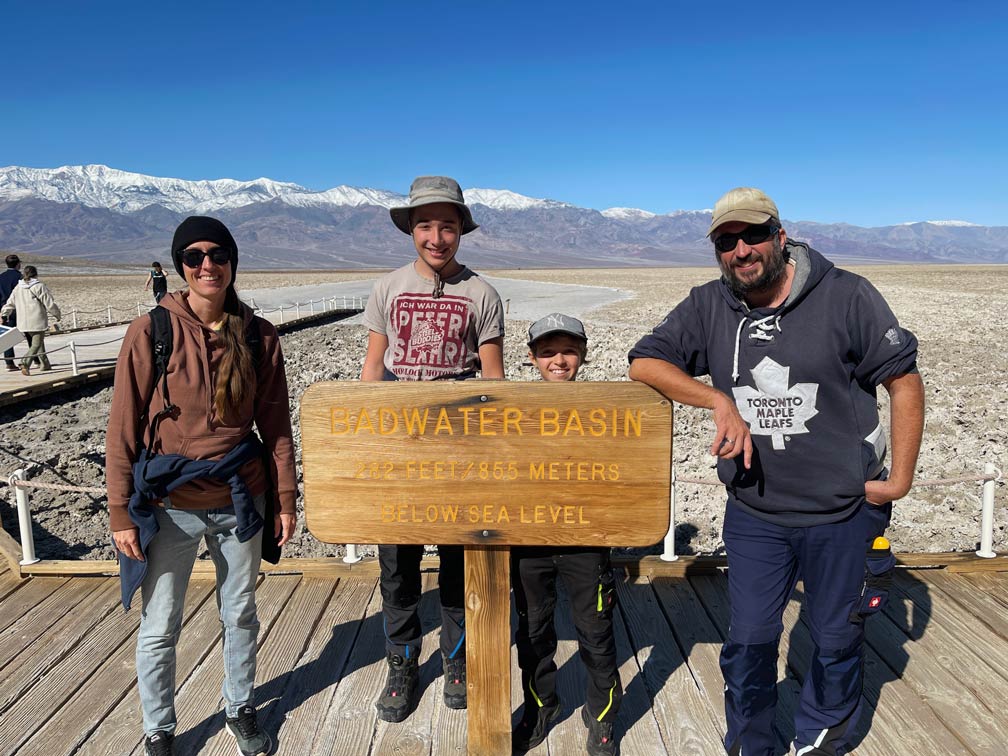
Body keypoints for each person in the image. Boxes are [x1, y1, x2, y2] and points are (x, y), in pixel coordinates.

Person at [628, 187, 925, 756]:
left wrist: (902, 478)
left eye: (753, 235)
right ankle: (751, 742)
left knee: (838, 638)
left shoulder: (847, 296)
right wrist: (718, 399)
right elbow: (645, 360)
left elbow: (903, 381)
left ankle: (823, 737)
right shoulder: (709, 305)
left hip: (842, 514)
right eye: (725, 241)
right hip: (755, 514)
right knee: (750, 641)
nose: (741, 250)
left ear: (780, 236)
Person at [106, 216, 297, 756]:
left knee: (240, 611)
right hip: (171, 506)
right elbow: (122, 425)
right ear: (180, 267)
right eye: (194, 257)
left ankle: (239, 706)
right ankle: (159, 727)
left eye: (218, 254)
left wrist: (285, 500)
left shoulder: (260, 336)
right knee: (160, 620)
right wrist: (120, 511)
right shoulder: (151, 333)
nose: (207, 265)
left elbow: (276, 426)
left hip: (242, 499)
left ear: (233, 262)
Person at [360, 175, 505, 722]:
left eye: (447, 226)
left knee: (455, 561)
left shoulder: (482, 295)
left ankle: (458, 660)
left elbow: (493, 380)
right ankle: (401, 663)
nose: (436, 237)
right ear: (411, 231)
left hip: (461, 453)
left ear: (461, 230)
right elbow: (374, 370)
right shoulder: (387, 289)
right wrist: (367, 445)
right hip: (400, 450)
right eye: (425, 225)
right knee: (396, 563)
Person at [512, 313, 621, 756]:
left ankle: (603, 718)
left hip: (585, 542)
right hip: (530, 542)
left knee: (596, 634)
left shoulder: (604, 410)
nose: (559, 360)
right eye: (548, 352)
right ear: (533, 358)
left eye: (568, 350)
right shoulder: (516, 411)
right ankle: (541, 707)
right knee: (532, 634)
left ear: (583, 355)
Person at [0, 264, 61, 375]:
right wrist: (57, 314)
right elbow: (49, 303)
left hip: (23, 322)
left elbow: (10, 303)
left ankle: (45, 364)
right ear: (35, 274)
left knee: (39, 342)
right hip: (37, 320)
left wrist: (4, 314)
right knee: (36, 344)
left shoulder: (18, 287)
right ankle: (25, 362)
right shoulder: (39, 286)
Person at [0, 253, 23, 370]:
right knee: (30, 334)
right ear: (18, 264)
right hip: (20, 309)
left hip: (5, 309)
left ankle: (9, 363)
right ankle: (36, 359)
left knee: (8, 336)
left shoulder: (1, 277)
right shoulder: (21, 278)